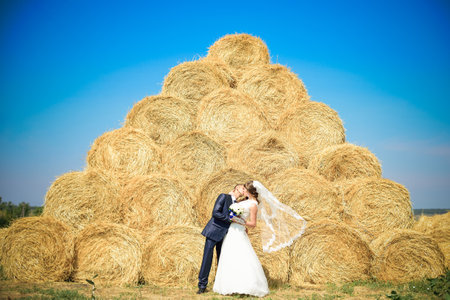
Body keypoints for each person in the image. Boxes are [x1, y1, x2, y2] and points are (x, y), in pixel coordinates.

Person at [213, 180, 307, 297]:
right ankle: (230, 285)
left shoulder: (253, 205)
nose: (243, 191)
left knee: (242, 256)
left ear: (250, 191)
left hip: (239, 229)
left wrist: (239, 220)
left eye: (245, 189)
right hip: (232, 230)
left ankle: (246, 286)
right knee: (230, 255)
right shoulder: (245, 201)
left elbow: (252, 224)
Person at [197, 184, 246, 294]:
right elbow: (215, 213)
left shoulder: (237, 204)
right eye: (243, 188)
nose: (244, 190)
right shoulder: (224, 197)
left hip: (226, 234)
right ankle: (202, 285)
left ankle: (220, 284)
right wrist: (230, 219)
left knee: (222, 260)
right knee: (207, 259)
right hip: (214, 232)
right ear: (236, 188)